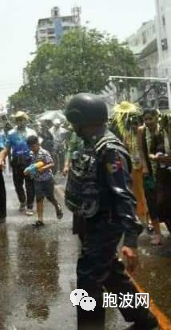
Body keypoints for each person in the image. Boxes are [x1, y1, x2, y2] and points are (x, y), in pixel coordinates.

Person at [64, 93, 158, 330]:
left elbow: (123, 194)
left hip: (107, 223)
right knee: (110, 273)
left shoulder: (109, 149)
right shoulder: (92, 144)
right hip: (93, 221)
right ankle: (145, 320)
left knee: (88, 279)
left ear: (81, 119)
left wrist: (131, 240)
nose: (72, 126)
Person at [24, 135, 63, 227]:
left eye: (33, 146)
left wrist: (43, 168)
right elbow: (32, 166)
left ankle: (57, 206)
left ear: (38, 144)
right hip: (37, 180)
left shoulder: (44, 153)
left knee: (50, 197)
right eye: (30, 147)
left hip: (47, 179)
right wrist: (29, 171)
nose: (32, 149)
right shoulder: (31, 154)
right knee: (39, 199)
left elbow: (52, 164)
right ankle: (40, 220)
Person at [137, 108, 162, 245]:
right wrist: (145, 166)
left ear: (156, 117)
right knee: (152, 202)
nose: (148, 122)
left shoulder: (164, 128)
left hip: (164, 170)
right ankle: (157, 234)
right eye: (145, 119)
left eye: (150, 119)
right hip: (149, 172)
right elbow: (141, 150)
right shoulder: (141, 130)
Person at [5, 111, 38, 215]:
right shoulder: (11, 133)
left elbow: (37, 146)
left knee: (30, 184)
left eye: (22, 119)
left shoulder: (32, 132)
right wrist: (8, 161)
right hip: (16, 161)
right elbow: (7, 148)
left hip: (29, 160)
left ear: (26, 120)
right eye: (18, 119)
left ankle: (30, 206)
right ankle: (22, 201)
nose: (20, 121)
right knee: (18, 184)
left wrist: (37, 160)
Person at [123, 115, 148, 227]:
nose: (134, 126)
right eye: (132, 124)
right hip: (133, 167)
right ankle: (140, 214)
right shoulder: (127, 136)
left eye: (136, 123)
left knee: (145, 191)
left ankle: (149, 215)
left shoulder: (144, 134)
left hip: (144, 167)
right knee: (136, 192)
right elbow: (124, 151)